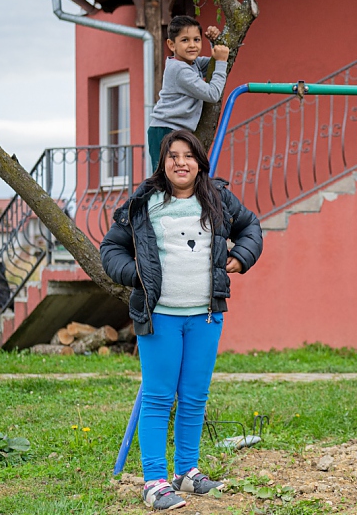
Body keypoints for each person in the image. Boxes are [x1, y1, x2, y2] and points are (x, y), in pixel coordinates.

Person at [101, 129, 262, 510]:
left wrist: (242, 256)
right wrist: (134, 275)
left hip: (206, 315)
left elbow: (251, 227)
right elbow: (111, 248)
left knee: (194, 398)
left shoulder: (218, 199)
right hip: (159, 317)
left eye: (188, 155)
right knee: (158, 397)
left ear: (199, 161)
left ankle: (187, 472)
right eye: (173, 155)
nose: (180, 162)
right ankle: (154, 480)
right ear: (164, 162)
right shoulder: (145, 202)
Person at [146, 15, 230, 171]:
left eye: (197, 40)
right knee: (164, 177)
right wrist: (221, 61)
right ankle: (145, 196)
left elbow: (213, 62)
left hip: (176, 130)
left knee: (177, 175)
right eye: (185, 40)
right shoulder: (179, 69)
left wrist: (216, 43)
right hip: (164, 130)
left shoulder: (191, 63)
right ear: (172, 45)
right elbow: (213, 94)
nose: (192, 45)